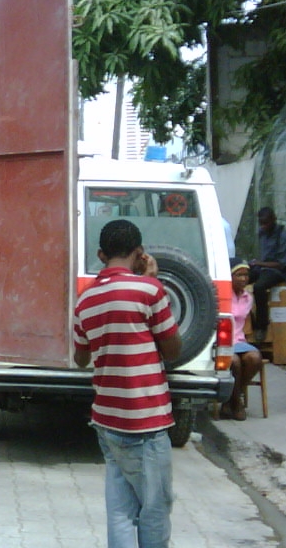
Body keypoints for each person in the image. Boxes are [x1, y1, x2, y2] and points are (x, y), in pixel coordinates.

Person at [73, 219, 181, 548]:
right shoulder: (150, 291)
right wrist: (151, 280)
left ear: (101, 254)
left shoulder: (85, 301)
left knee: (120, 510)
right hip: (144, 420)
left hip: (107, 419)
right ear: (139, 253)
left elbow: (81, 358)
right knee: (154, 508)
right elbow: (173, 349)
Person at [225, 259, 264, 421]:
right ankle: (236, 402)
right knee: (234, 362)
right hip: (224, 341)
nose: (243, 279)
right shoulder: (223, 295)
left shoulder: (248, 297)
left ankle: (233, 397)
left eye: (245, 275)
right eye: (238, 275)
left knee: (255, 358)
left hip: (240, 340)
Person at [248, 207, 286, 341]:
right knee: (240, 279)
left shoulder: (283, 236)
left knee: (259, 287)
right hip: (262, 267)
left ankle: (261, 326)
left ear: (274, 220)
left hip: (278, 271)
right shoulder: (262, 233)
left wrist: (260, 264)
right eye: (261, 223)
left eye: (266, 223)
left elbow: (282, 264)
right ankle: (244, 318)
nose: (263, 226)